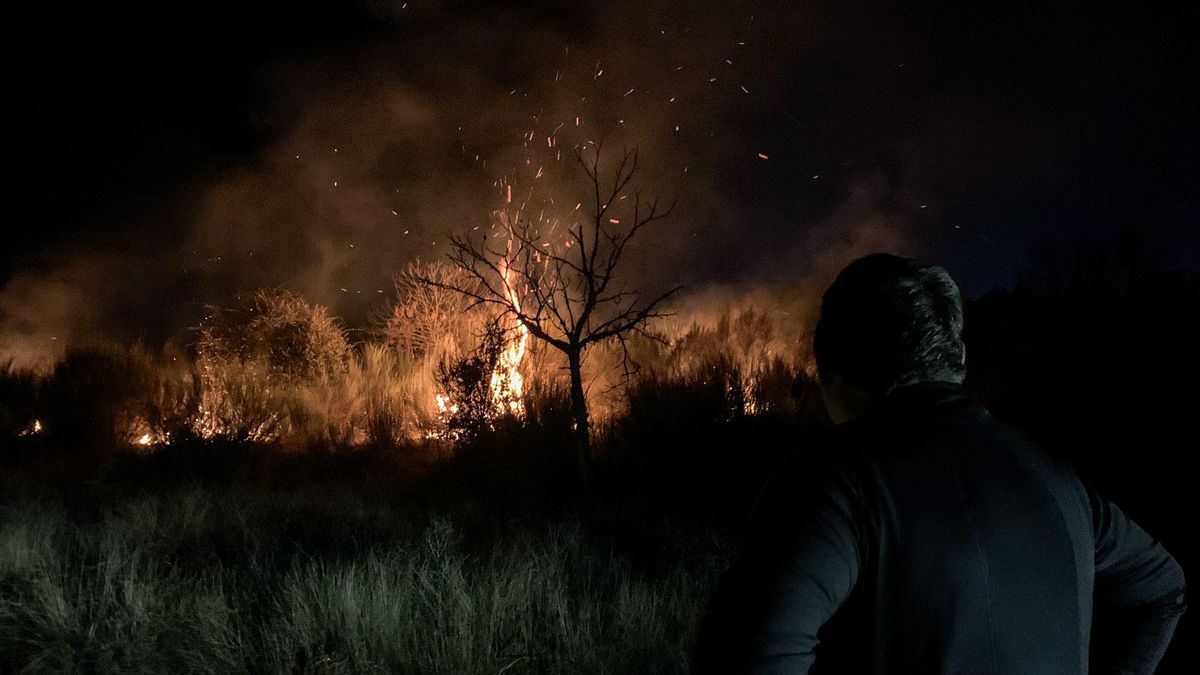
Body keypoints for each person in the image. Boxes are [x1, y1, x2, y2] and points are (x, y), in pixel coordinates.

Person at [693, 253, 1187, 674]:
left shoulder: (835, 480)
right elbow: (1163, 589)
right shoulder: (1053, 475)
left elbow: (749, 656)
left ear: (829, 365)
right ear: (959, 357)